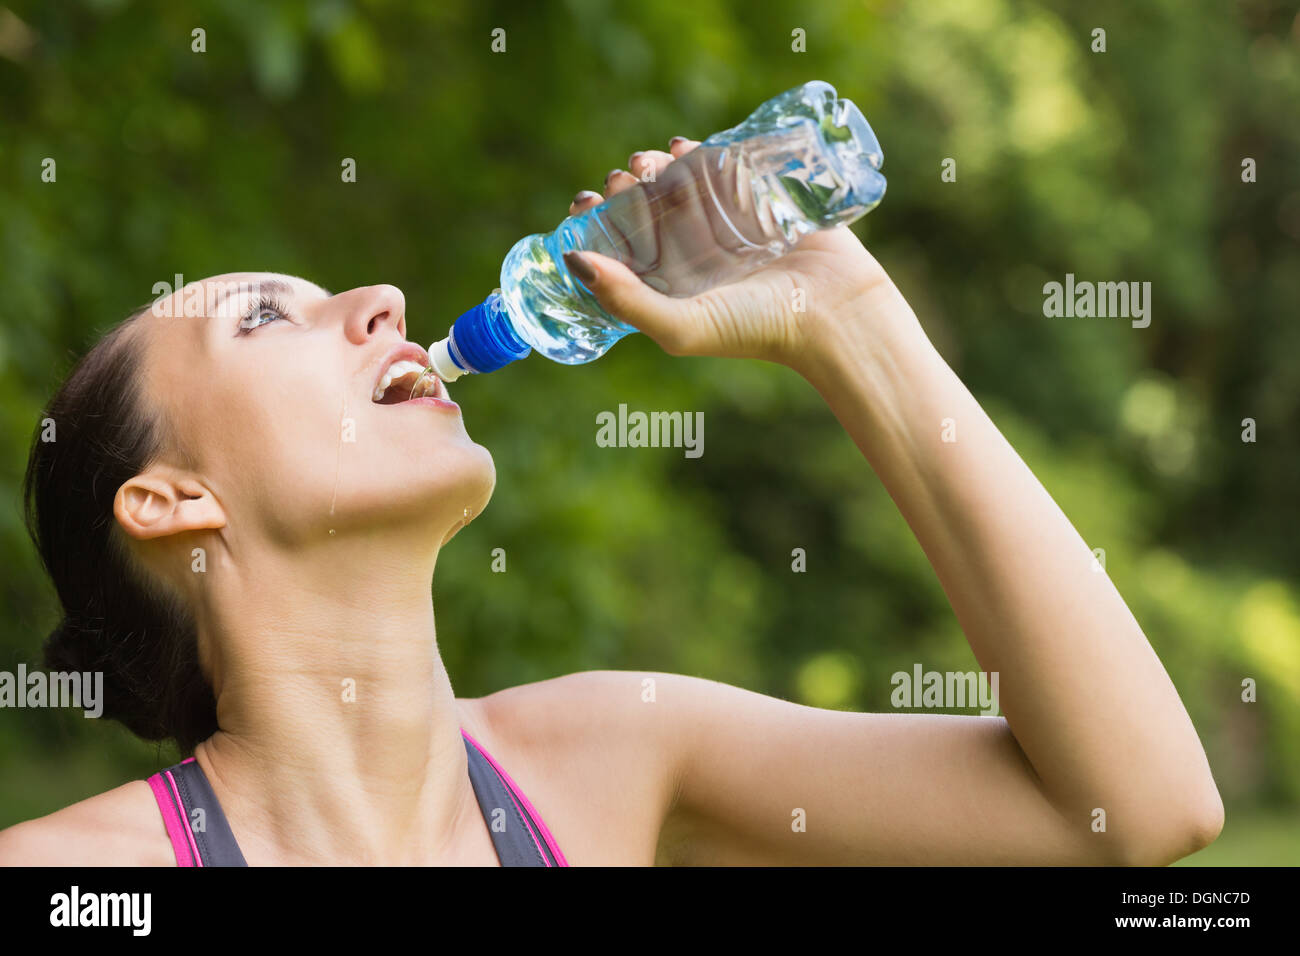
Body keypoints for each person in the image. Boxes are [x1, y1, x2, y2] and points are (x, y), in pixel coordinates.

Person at [0, 137, 1223, 865]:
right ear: (169, 500)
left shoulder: (612, 759)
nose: (374, 295)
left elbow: (1140, 807)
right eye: (266, 316)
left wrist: (848, 327)